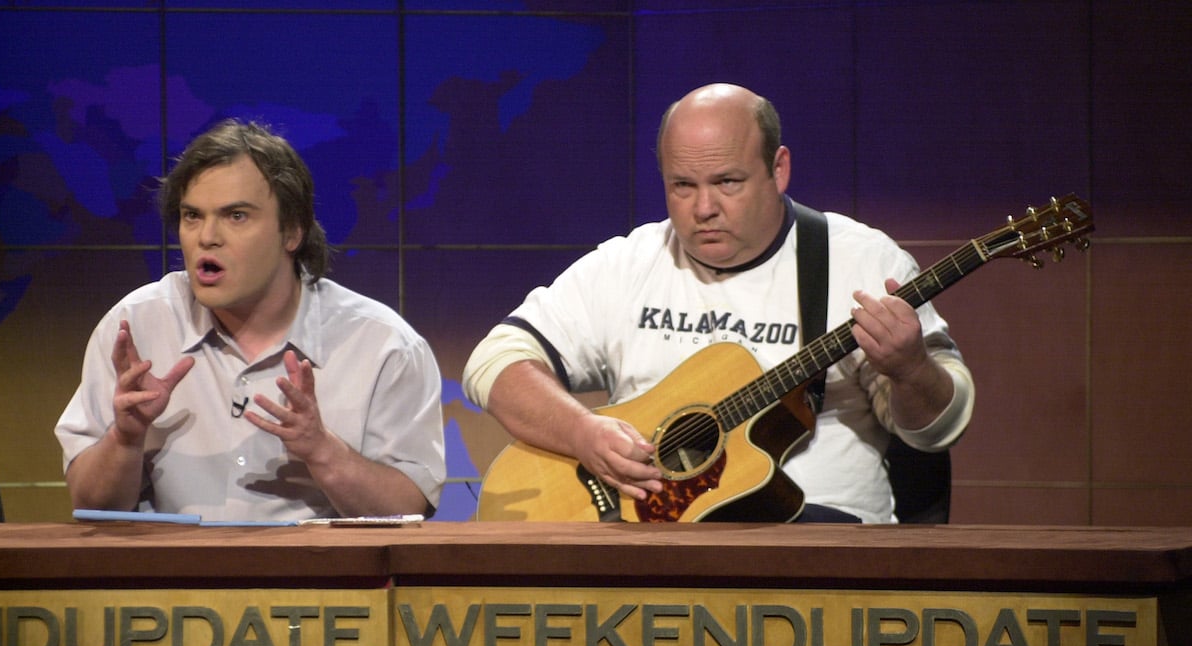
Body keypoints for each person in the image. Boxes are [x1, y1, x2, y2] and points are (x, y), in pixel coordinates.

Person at [463, 84, 974, 523]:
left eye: (727, 182)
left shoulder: (862, 263)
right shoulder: (629, 263)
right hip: (645, 546)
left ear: (778, 169)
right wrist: (582, 433)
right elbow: (495, 362)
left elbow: (936, 432)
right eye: (682, 186)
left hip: (821, 547)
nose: (704, 209)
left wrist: (910, 369)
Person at [56, 119, 446, 521]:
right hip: (174, 581)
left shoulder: (383, 345)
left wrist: (323, 452)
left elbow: (407, 511)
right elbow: (90, 506)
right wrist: (125, 437)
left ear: (291, 232)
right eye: (192, 216)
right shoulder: (135, 328)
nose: (206, 236)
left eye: (236, 216)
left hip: (323, 581)